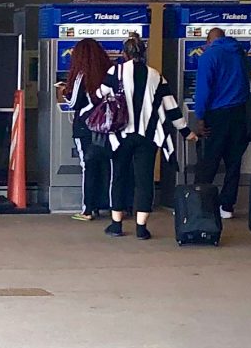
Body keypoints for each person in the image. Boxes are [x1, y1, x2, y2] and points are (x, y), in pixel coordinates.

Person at [100, 33, 190, 240]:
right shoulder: (156, 76)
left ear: (124, 53)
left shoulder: (116, 71)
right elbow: (171, 108)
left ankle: (116, 224)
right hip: (148, 136)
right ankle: (141, 228)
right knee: (144, 179)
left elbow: (99, 95)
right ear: (144, 53)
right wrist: (186, 131)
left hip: (120, 134)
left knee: (119, 177)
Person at [194, 27, 251, 219]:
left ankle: (199, 205)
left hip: (217, 115)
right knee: (234, 162)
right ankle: (227, 207)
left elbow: (203, 90)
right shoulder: (239, 53)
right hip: (240, 113)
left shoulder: (209, 56)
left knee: (208, 160)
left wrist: (200, 117)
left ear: (209, 40)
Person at [56, 38, 112, 221]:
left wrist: (63, 91)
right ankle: (112, 206)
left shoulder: (82, 75)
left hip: (86, 127)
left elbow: (74, 102)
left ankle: (88, 209)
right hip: (108, 126)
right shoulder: (109, 73)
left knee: (88, 166)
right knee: (107, 165)